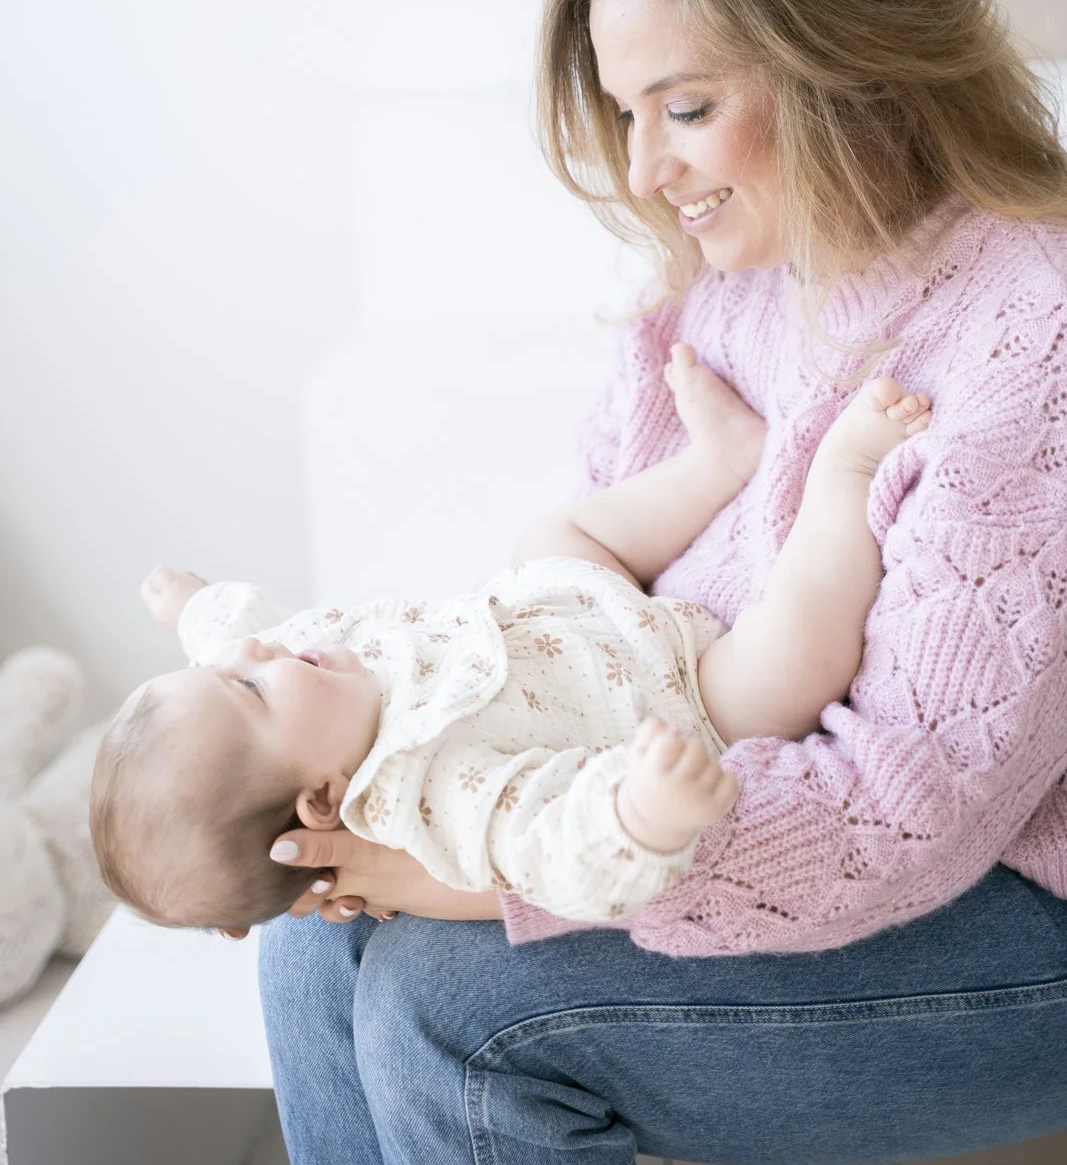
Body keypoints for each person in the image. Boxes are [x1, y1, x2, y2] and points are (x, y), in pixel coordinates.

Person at [251, 0, 1067, 1165]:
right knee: (312, 941)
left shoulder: (1028, 330)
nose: (643, 170)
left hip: (1004, 904)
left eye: (681, 108)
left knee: (460, 1009)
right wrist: (420, 771)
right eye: (628, 115)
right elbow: (587, 607)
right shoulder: (718, 288)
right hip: (745, 821)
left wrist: (509, 868)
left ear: (844, 63)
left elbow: (903, 814)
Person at [91, 342, 931, 930]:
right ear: (321, 800)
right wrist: (640, 815)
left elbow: (242, 638)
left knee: (550, 540)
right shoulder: (433, 795)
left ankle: (720, 461)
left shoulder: (307, 676)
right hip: (687, 694)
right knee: (788, 663)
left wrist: (196, 609)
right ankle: (844, 478)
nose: (248, 655)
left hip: (559, 608)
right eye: (243, 687)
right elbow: (551, 854)